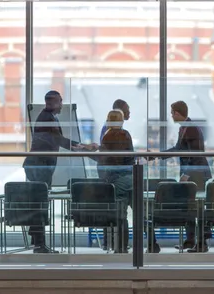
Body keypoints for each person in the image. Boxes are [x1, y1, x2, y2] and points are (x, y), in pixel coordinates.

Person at [23, 90, 98, 253]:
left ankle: (37, 241)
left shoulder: (49, 117)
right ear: (50, 103)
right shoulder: (47, 119)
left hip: (40, 166)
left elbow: (59, 141)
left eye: (61, 101)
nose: (61, 105)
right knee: (40, 203)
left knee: (39, 202)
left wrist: (83, 148)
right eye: (59, 101)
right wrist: (84, 147)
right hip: (38, 167)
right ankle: (39, 244)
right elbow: (61, 141)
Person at [148, 101, 212, 253]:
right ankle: (190, 241)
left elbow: (196, 155)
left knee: (197, 208)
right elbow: (178, 149)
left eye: (172, 112)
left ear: (177, 113)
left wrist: (186, 174)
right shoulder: (185, 128)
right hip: (192, 173)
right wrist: (156, 156)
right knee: (189, 207)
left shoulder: (191, 129)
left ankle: (202, 243)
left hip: (196, 174)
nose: (171, 115)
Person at [98, 109, 134, 253]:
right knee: (134, 214)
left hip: (116, 179)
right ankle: (127, 246)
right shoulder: (126, 135)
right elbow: (131, 157)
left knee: (120, 215)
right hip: (130, 178)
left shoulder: (107, 136)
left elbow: (105, 159)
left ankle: (119, 247)